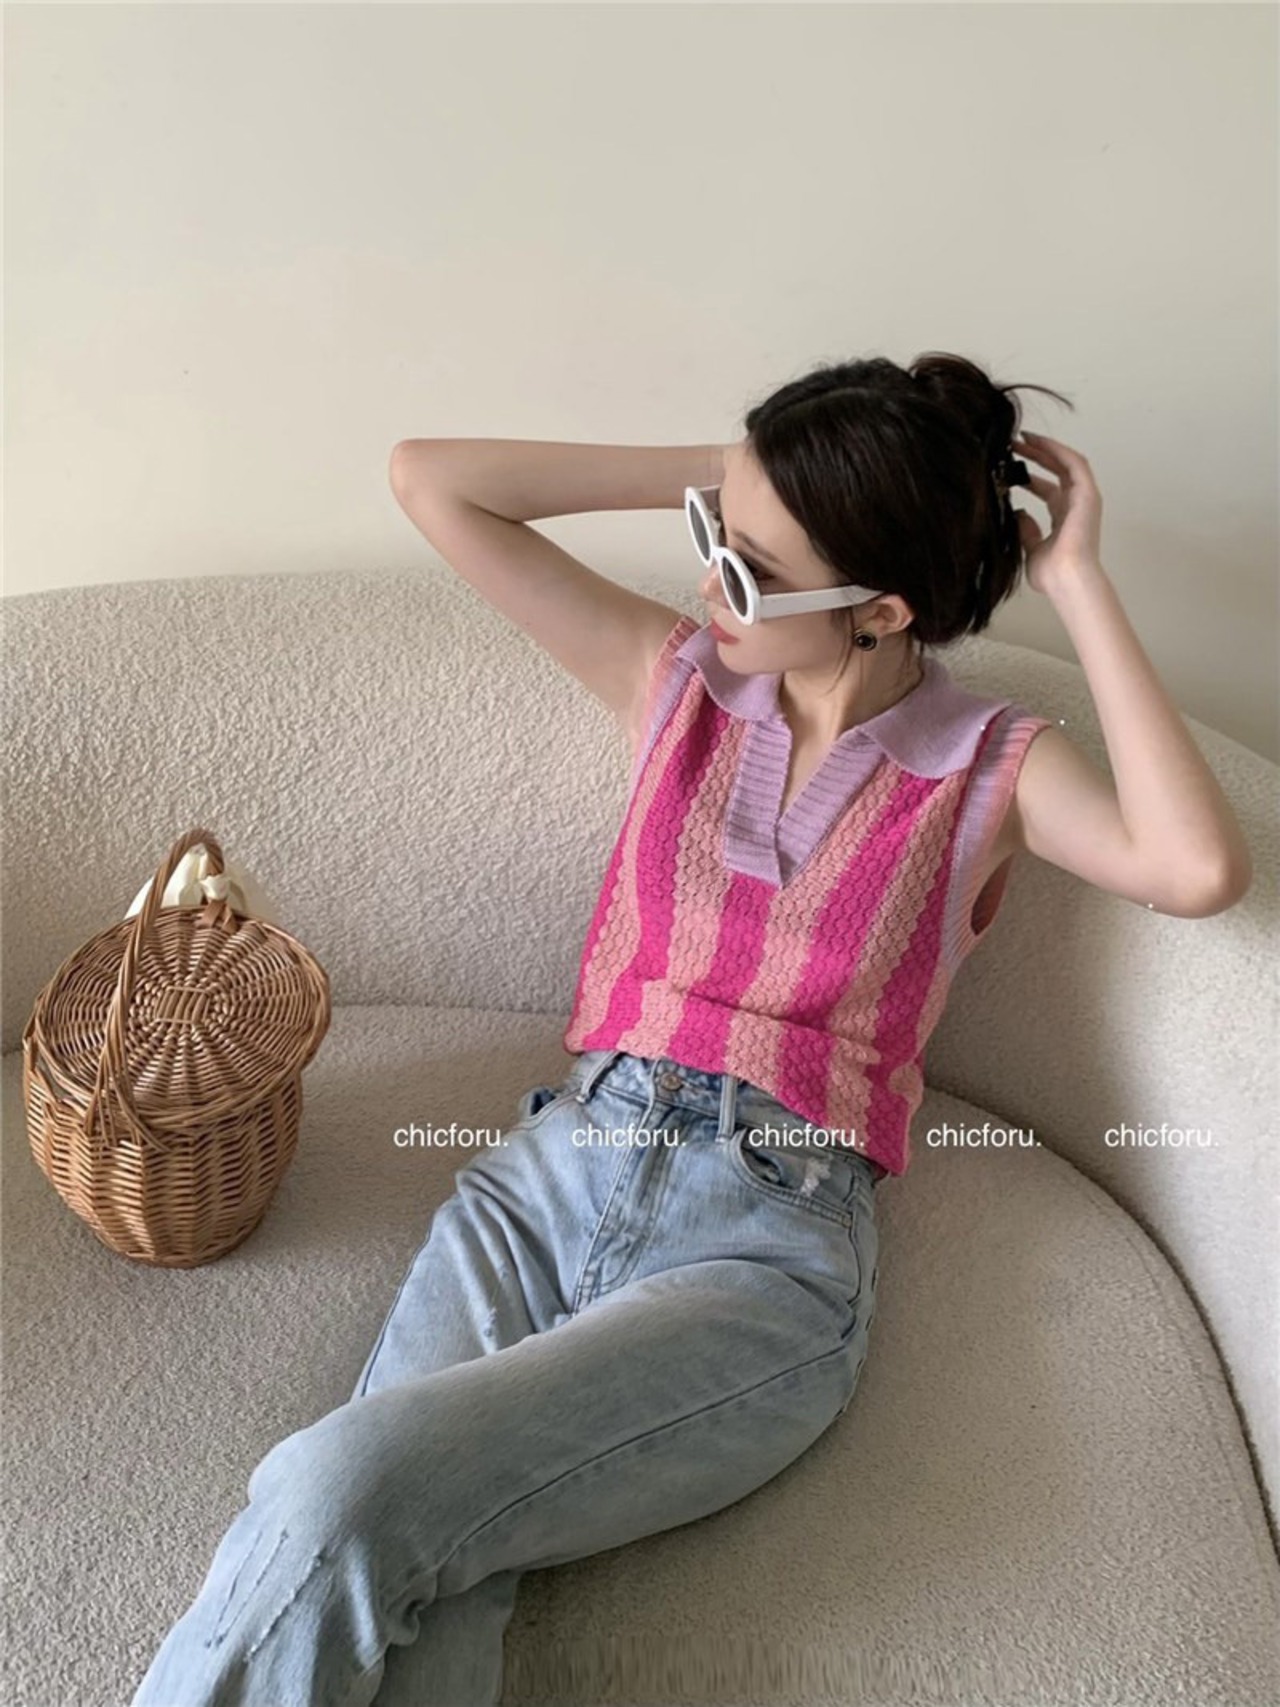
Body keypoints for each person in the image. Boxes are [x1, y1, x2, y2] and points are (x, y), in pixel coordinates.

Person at [129, 353, 1252, 1707]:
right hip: (543, 1187)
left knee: (339, 1486)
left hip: (763, 1250)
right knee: (434, 1587)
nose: (709, 578)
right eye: (715, 533)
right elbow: (432, 481)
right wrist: (742, 479)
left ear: (881, 611)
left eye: (751, 569)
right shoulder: (675, 681)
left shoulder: (991, 767)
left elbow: (1196, 868)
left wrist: (1073, 581)